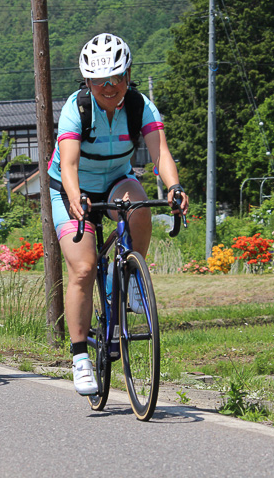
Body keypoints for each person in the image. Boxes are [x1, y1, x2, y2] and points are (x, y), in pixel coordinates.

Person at [49, 33, 189, 395]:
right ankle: (80, 357)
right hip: (71, 186)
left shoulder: (140, 106)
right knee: (82, 267)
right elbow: (69, 163)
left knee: (140, 204)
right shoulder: (76, 108)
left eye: (115, 78)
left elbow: (160, 154)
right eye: (99, 81)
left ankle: (129, 280)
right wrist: (75, 195)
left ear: (128, 75)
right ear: (88, 82)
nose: (108, 87)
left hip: (115, 181)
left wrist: (174, 187)